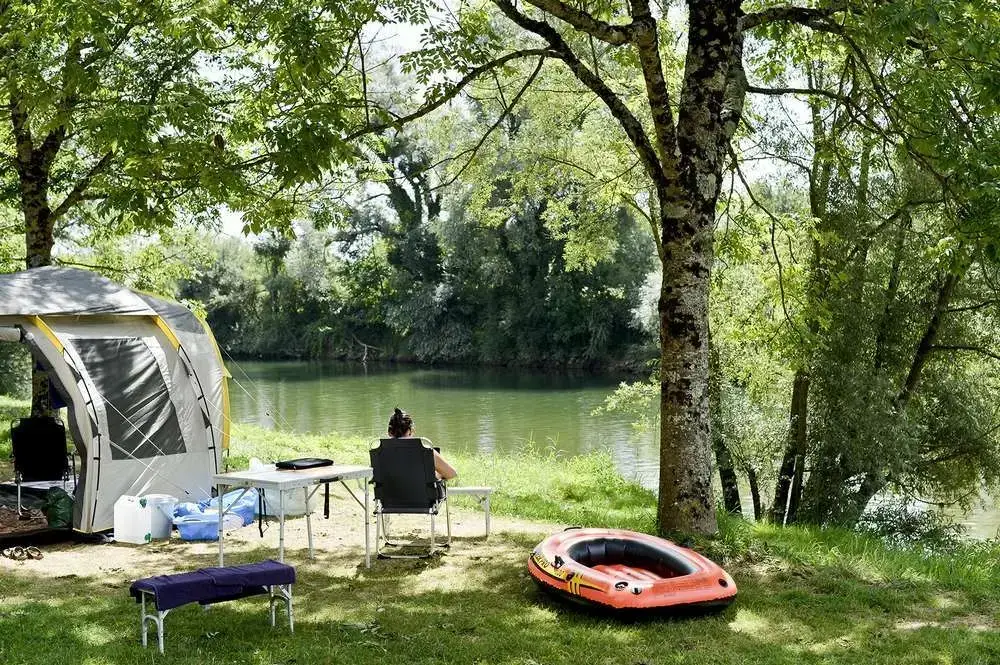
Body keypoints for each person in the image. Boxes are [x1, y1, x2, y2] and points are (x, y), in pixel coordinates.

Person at [387, 407, 457, 480]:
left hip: (390, 488)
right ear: (411, 431)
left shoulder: (381, 452)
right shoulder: (425, 450)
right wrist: (437, 474)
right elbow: (452, 474)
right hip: (420, 487)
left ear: (389, 432)